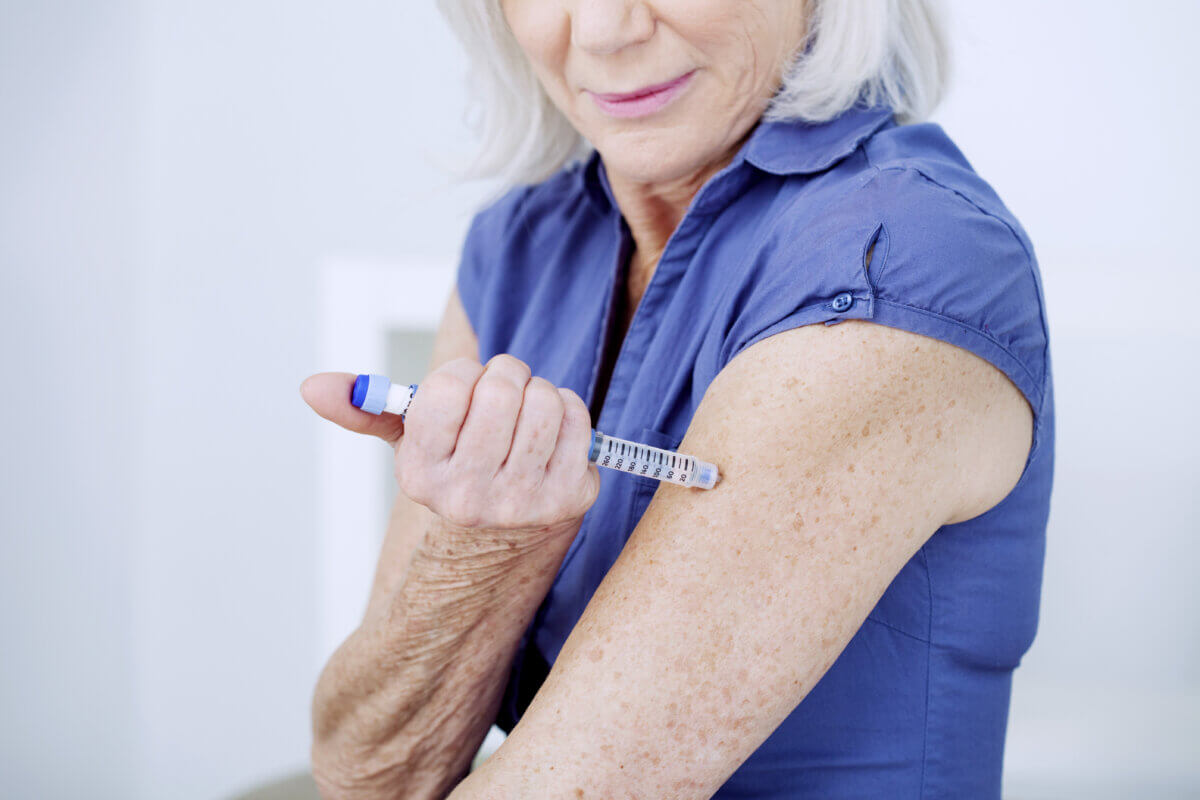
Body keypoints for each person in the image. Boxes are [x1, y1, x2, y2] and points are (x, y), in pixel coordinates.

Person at [300, 0, 1055, 797]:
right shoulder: (523, 241)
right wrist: (482, 547)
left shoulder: (898, 257)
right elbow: (365, 772)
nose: (599, 30)